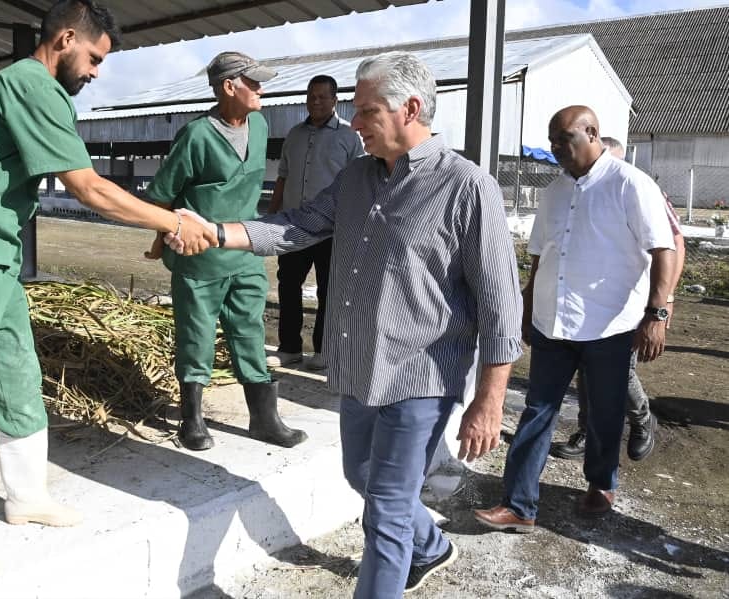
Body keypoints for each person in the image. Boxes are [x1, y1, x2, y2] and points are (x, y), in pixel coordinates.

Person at [165, 51, 523, 599]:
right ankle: (432, 546)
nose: (353, 124)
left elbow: (501, 305)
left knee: (385, 509)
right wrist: (215, 231)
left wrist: (489, 400)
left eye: (366, 112)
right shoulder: (357, 176)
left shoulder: (466, 188)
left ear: (409, 109)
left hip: (421, 378)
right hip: (358, 370)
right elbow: (296, 225)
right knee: (361, 476)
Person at [0, 0, 215, 583]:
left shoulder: (13, 89)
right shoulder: (33, 85)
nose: (96, 72)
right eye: (95, 59)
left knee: (19, 380)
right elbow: (89, 189)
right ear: (67, 38)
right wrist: (171, 222)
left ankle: (26, 498)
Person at [475, 106, 676, 533]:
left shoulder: (630, 185)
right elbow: (538, 255)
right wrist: (527, 308)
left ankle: (602, 483)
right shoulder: (555, 191)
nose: (555, 148)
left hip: (609, 325)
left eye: (563, 138)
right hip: (553, 323)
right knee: (537, 410)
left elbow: (665, 250)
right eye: (552, 140)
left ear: (592, 133)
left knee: (604, 412)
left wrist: (657, 313)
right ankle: (519, 505)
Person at [143, 51, 307, 452]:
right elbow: (162, 195)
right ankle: (192, 420)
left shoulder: (260, 123)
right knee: (196, 335)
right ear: (228, 87)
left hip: (245, 250)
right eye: (253, 82)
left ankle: (265, 419)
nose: (260, 89)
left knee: (250, 331)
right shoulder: (197, 135)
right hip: (200, 260)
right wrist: (156, 242)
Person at [551, 135, 685, 462]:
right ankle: (585, 430)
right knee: (586, 366)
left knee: (620, 369)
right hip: (590, 300)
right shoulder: (580, 189)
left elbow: (674, 245)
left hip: (634, 298)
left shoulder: (639, 188)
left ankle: (641, 419)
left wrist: (663, 301)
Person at [266, 75, 363, 370]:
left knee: (329, 289)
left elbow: (360, 182)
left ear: (335, 100)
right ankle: (290, 348)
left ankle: (323, 350)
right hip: (294, 226)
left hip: (332, 229)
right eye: (311, 96)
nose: (316, 101)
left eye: (322, 96)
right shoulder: (294, 135)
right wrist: (272, 215)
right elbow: (282, 177)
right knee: (289, 285)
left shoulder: (349, 137)